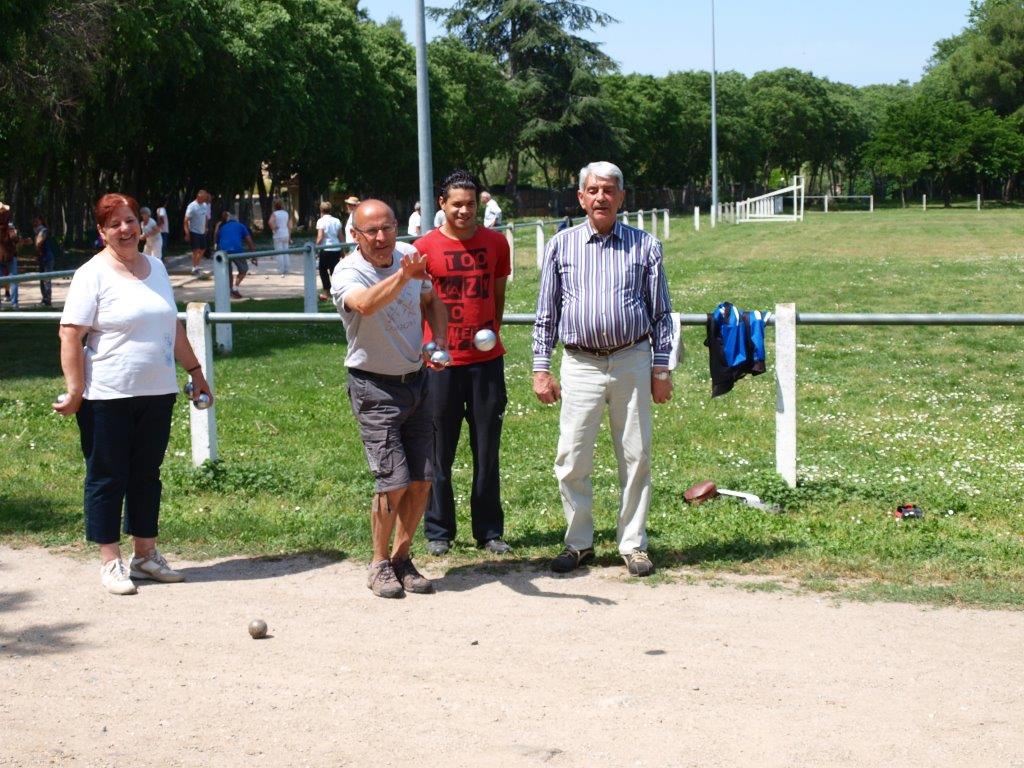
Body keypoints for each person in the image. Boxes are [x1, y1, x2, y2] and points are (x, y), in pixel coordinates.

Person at [54, 192, 213, 595]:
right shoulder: (92, 274)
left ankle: (145, 555)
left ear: (141, 226)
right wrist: (75, 390)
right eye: (115, 224)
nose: (124, 229)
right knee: (108, 476)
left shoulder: (156, 267)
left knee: (146, 475)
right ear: (102, 232)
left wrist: (195, 371)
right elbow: (70, 334)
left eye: (130, 221)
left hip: (158, 391)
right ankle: (111, 561)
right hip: (107, 395)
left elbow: (172, 325)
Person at [532, 161, 674, 577]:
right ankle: (578, 543)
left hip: (632, 359)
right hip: (580, 363)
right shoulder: (561, 246)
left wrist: (661, 369)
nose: (601, 198)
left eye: (609, 190)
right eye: (593, 191)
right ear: (581, 198)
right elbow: (546, 313)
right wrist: (541, 369)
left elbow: (662, 314)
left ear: (621, 197)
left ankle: (633, 545)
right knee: (572, 457)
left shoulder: (645, 246)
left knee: (636, 455)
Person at [331, 199, 448, 598]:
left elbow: (430, 299)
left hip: (417, 382)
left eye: (388, 228)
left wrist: (440, 340)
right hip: (374, 388)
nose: (382, 238)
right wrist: (403, 275)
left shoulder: (408, 257)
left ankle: (402, 558)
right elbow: (365, 304)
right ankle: (379, 564)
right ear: (355, 235)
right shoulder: (348, 271)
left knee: (422, 480)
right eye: (372, 231)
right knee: (393, 482)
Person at [415, 170, 512, 556]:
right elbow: (420, 302)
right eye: (456, 204)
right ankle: (439, 531)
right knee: (438, 450)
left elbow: (498, 296)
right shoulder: (424, 247)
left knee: (487, 451)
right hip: (441, 365)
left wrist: (489, 331)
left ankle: (489, 531)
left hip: (485, 363)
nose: (464, 211)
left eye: (470, 204)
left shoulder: (495, 243)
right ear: (442, 204)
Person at [215, 211, 255, 299]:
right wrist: (254, 255)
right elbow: (249, 240)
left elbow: (216, 240)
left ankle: (230, 290)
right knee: (243, 269)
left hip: (223, 251)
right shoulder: (240, 226)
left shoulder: (222, 227)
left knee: (228, 272)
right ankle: (235, 288)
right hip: (236, 250)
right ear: (236, 219)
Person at [314, 201, 343, 302]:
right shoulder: (337, 221)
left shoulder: (321, 221)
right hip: (336, 248)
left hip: (325, 249)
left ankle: (327, 291)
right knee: (335, 271)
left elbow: (320, 236)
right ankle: (337, 291)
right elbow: (340, 236)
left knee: (323, 271)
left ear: (321, 210)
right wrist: (343, 249)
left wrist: (315, 247)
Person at [183, 189, 211, 276]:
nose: (205, 199)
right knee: (196, 250)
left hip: (202, 231)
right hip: (194, 231)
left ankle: (197, 266)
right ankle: (194, 267)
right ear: (199, 196)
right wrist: (187, 233)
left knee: (203, 249)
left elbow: (205, 217)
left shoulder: (205, 205)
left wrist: (206, 227)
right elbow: (186, 220)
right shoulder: (192, 206)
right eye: (204, 197)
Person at [32, 215, 58, 306]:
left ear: (41, 221)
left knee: (46, 279)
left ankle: (47, 300)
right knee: (42, 279)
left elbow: (38, 243)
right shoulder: (37, 231)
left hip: (48, 258)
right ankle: (44, 299)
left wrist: (37, 236)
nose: (35, 222)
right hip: (42, 258)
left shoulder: (43, 231)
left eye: (37, 220)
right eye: (34, 221)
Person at [0, 207, 19, 308]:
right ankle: (14, 304)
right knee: (14, 280)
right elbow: (14, 239)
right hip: (10, 256)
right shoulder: (9, 227)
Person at [269, 198, 292, 274]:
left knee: (279, 253)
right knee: (286, 252)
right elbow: (289, 226)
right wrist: (289, 236)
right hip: (286, 234)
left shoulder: (275, 214)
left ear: (274, 206)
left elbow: (270, 222)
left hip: (278, 234)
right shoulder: (286, 213)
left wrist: (274, 228)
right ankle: (287, 269)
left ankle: (281, 270)